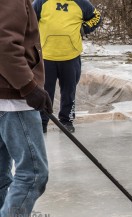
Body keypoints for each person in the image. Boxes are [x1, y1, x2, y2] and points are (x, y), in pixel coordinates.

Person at [0, 0, 53, 217]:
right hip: (13, 97)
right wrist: (29, 86)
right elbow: (5, 46)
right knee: (33, 173)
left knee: (1, 174)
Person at [33, 0, 102, 133]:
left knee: (69, 91)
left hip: (71, 57)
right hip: (46, 57)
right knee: (45, 92)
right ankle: (42, 122)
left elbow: (97, 17)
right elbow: (28, 18)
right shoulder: (41, 2)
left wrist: (83, 28)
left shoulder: (81, 3)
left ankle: (66, 120)